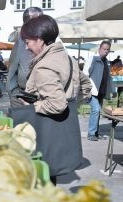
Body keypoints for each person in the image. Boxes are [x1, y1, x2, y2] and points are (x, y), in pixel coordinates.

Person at [13, 14, 91, 185]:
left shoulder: (44, 66)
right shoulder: (68, 59)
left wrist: (33, 105)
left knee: (41, 178)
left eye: (27, 42)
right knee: (51, 173)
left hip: (44, 131)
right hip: (60, 133)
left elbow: (57, 104)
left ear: (40, 40)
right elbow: (86, 87)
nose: (26, 48)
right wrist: (73, 103)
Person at [7, 7, 44, 110]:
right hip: (21, 94)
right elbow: (13, 67)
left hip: (43, 98)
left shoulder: (50, 40)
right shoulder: (21, 41)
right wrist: (13, 91)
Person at [82, 40, 112, 141]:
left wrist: (112, 90)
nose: (106, 51)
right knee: (96, 110)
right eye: (104, 49)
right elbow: (85, 74)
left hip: (101, 91)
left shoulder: (106, 62)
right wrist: (87, 89)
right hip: (92, 91)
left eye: (108, 50)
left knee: (97, 112)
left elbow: (109, 78)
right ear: (100, 49)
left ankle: (95, 133)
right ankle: (91, 134)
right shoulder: (93, 59)